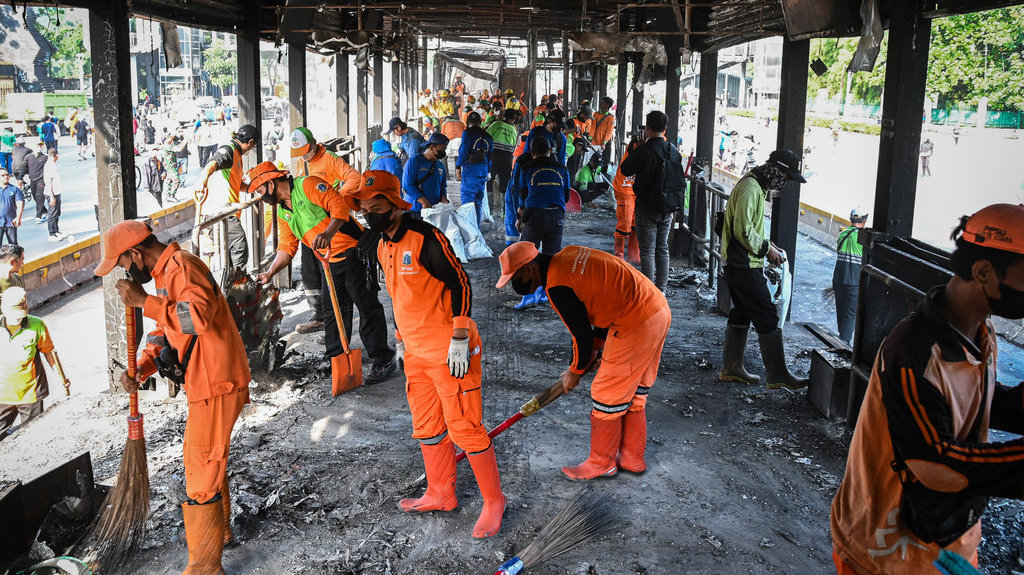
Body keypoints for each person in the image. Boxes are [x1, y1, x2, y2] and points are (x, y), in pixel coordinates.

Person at [830, 203, 1024, 575]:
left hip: (946, 546)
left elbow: (971, 403)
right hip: (883, 552)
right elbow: (933, 462)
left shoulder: (980, 334)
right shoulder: (913, 351)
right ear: (984, 272)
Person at [346, 170, 506, 539]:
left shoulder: (425, 237)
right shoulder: (382, 243)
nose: (371, 213)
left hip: (451, 351)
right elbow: (402, 297)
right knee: (428, 427)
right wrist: (401, 341)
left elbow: (460, 282)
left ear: (395, 204)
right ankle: (440, 492)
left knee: (465, 429)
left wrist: (461, 335)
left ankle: (494, 501)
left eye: (378, 206)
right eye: (365, 208)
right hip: (416, 353)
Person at [94, 221, 251, 573]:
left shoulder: (182, 267)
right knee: (208, 462)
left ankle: (205, 567)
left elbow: (198, 318)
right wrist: (140, 366)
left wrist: (144, 301)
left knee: (199, 472)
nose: (127, 272)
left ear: (136, 253)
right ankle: (220, 533)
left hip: (216, 381)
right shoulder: (168, 272)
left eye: (122, 264)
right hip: (209, 378)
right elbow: (165, 331)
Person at [495, 241, 671, 480]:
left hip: (636, 320)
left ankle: (601, 463)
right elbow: (601, 300)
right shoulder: (569, 255)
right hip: (656, 309)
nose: (515, 284)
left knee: (606, 392)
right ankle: (632, 457)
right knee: (634, 390)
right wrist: (596, 349)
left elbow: (580, 334)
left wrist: (574, 372)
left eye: (514, 278)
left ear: (528, 269)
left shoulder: (557, 285)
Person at [248, 162, 397, 383]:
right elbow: (287, 248)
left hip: (354, 250)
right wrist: (269, 273)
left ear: (271, 184)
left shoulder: (308, 185)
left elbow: (340, 208)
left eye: (260, 191)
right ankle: (336, 358)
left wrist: (328, 233)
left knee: (366, 304)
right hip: (330, 260)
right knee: (332, 310)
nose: (261, 197)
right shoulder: (283, 211)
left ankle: (382, 359)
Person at [717, 149, 808, 390]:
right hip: (743, 264)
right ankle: (777, 374)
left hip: (739, 262)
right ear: (776, 171)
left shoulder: (755, 186)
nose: (785, 182)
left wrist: (770, 244)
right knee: (767, 314)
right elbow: (744, 231)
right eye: (786, 177)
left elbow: (748, 228)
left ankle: (732, 368)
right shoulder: (751, 189)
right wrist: (768, 250)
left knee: (742, 312)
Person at [290, 126, 364, 334]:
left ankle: (334, 322)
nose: (304, 155)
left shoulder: (329, 159)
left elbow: (355, 178)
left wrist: (335, 197)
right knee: (310, 271)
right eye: (300, 152)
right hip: (309, 224)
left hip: (330, 224)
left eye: (306, 150)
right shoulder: (301, 161)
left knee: (330, 273)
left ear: (313, 144)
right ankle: (319, 316)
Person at [619, 111, 684, 292]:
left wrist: (638, 147)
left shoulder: (645, 150)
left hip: (647, 207)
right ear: (665, 129)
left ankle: (649, 290)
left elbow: (625, 169)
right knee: (662, 248)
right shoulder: (673, 150)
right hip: (668, 208)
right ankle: (662, 289)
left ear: (647, 128)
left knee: (647, 250)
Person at [0, 287, 70, 441]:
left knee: (32, 439)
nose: (18, 319)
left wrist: (61, 378)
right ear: (3, 309)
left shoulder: (37, 325)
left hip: (31, 395)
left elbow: (49, 352)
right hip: (3, 395)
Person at [197, 123, 260, 270]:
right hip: (222, 211)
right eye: (253, 146)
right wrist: (202, 181)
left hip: (228, 212)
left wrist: (255, 188)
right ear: (250, 142)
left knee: (231, 252)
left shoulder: (237, 156)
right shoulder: (229, 150)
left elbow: (237, 184)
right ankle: (239, 283)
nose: (252, 149)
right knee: (239, 246)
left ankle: (231, 283)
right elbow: (212, 163)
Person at [832, 207, 868, 344]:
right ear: (864, 220)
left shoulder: (843, 234)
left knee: (841, 314)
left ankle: (841, 341)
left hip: (838, 280)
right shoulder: (862, 239)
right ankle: (843, 346)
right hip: (853, 283)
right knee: (850, 317)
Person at [456, 112, 493, 227]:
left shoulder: (467, 133)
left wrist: (458, 166)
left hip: (470, 171)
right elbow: (490, 156)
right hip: (482, 172)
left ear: (468, 123)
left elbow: (463, 151)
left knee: (468, 203)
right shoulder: (488, 136)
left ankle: (468, 229)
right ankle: (476, 228)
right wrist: (488, 171)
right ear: (480, 122)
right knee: (478, 202)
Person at [401, 133, 450, 218]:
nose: (443, 153)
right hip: (415, 209)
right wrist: (423, 201)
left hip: (433, 211)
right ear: (431, 147)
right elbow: (407, 185)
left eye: (444, 150)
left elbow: (443, 186)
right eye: (441, 150)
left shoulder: (440, 166)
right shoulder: (415, 161)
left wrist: (443, 197)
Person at [612, 132, 644, 258]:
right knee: (625, 222)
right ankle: (619, 256)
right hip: (625, 188)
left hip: (638, 188)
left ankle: (634, 256)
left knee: (636, 222)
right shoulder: (636, 145)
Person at [486, 109, 519, 211]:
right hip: (507, 157)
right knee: (505, 183)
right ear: (514, 118)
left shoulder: (496, 124)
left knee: (489, 180)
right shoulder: (514, 130)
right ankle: (504, 211)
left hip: (494, 155)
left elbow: (486, 135)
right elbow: (514, 144)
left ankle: (490, 209)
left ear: (504, 116)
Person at [590, 97, 616, 173]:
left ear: (607, 105)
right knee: (594, 163)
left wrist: (604, 143)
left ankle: (604, 183)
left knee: (604, 164)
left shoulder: (611, 118)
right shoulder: (596, 114)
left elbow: (609, 132)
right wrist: (589, 138)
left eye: (603, 102)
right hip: (595, 143)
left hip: (605, 145)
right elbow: (592, 127)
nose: (601, 103)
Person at [42, 149, 63, 242]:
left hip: (56, 192)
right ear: (56, 156)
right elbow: (49, 182)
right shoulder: (50, 165)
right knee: (53, 213)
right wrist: (52, 197)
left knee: (57, 212)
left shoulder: (52, 164)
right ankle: (52, 232)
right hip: (52, 193)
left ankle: (56, 230)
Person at [0, 169, 24, 247]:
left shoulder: (14, 189)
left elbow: (20, 203)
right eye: (3, 175)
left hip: (11, 221)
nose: (6, 177)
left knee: (13, 246)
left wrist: (18, 217)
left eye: (7, 175)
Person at [25, 142, 48, 222]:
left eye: (41, 146)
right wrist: (20, 178)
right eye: (37, 146)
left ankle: (38, 215)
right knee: (35, 197)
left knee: (39, 196)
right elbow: (24, 167)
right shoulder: (28, 157)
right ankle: (44, 210)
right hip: (32, 179)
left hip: (41, 179)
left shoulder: (45, 157)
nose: (39, 148)